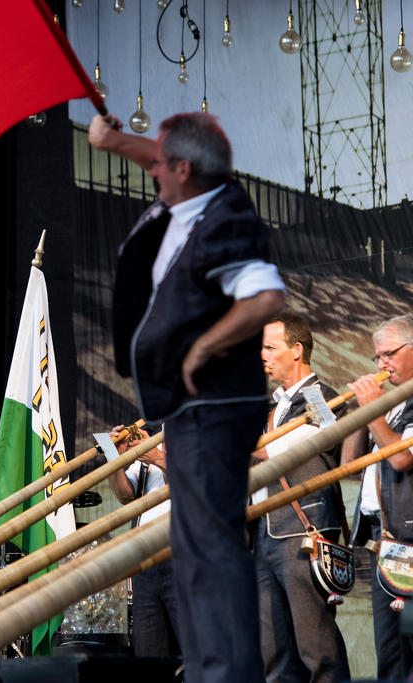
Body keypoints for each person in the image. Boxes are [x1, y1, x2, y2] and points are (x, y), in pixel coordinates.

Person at [89, 112, 286, 682]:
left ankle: (225, 674)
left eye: (159, 161)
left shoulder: (226, 220)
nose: (150, 166)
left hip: (214, 406)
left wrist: (204, 347)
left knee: (209, 548)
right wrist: (108, 140)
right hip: (189, 408)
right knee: (193, 549)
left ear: (182, 168)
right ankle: (209, 671)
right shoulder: (194, 191)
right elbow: (157, 154)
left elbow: (264, 296)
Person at [250, 312, 350, 682]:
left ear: (296, 350)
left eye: (269, 347)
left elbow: (314, 441)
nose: (262, 355)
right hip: (263, 533)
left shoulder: (322, 396)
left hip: (303, 532)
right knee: (274, 653)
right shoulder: (270, 406)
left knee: (316, 645)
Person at [344, 314, 413, 680]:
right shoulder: (392, 408)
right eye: (377, 358)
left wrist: (376, 416)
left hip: (410, 542)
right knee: (389, 650)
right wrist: (362, 413)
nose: (382, 364)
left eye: (389, 353)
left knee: (410, 644)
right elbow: (349, 465)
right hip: (384, 543)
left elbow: (402, 458)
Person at [105, 425, 179, 659]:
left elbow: (199, 482)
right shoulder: (154, 439)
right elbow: (125, 495)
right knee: (149, 650)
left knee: (197, 647)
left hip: (184, 556)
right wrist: (113, 457)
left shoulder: (197, 430)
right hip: (145, 562)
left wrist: (157, 457)